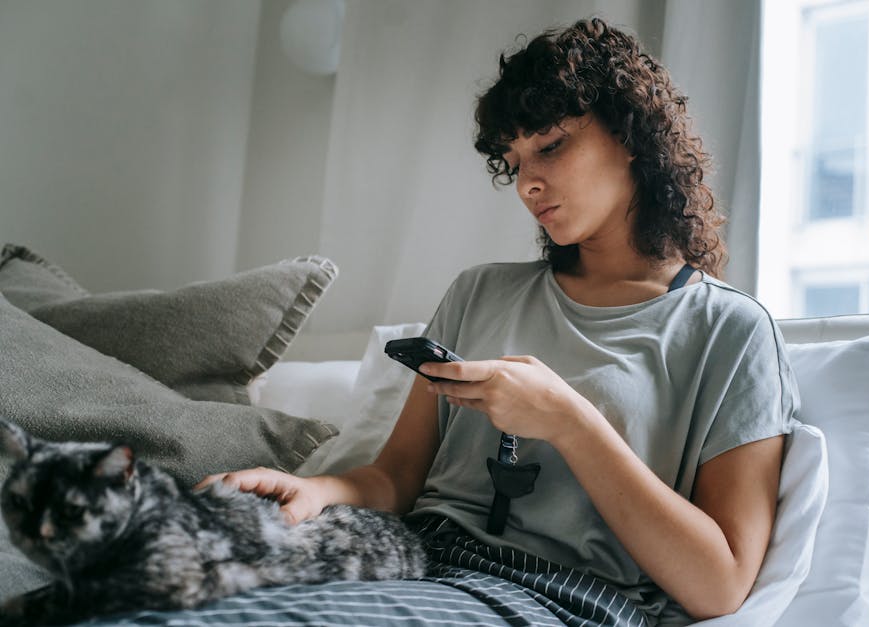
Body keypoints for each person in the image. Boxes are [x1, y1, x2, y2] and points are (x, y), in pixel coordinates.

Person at [197, 17, 796, 627]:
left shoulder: (731, 331)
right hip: (409, 557)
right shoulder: (479, 292)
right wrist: (317, 491)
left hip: (558, 597)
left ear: (632, 135)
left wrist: (570, 422)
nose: (529, 184)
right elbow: (396, 477)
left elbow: (719, 586)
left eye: (551, 144)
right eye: (514, 161)